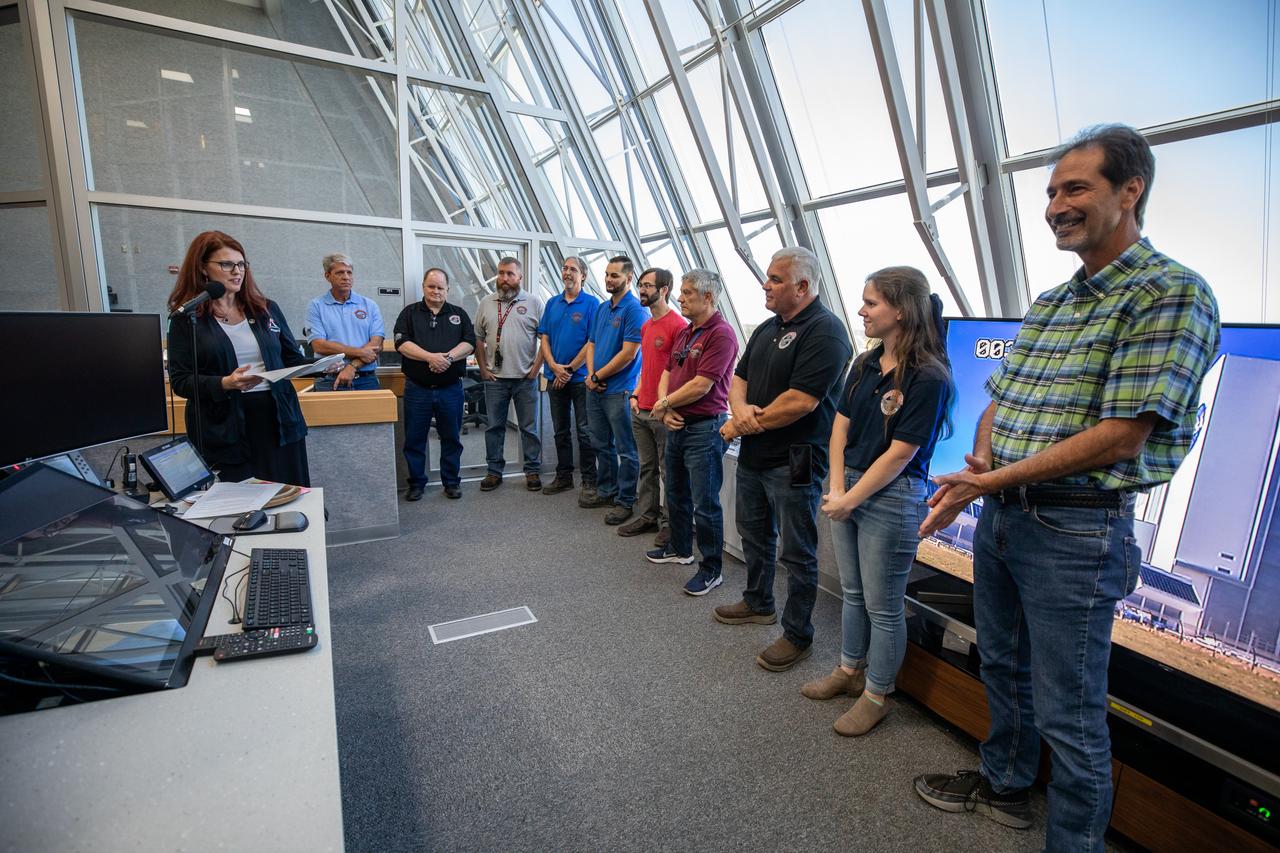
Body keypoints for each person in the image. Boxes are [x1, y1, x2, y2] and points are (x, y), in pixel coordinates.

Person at [913, 125, 1219, 851]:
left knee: (1071, 711)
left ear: (1130, 190)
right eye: (1051, 191)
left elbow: (1120, 435)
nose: (1055, 204)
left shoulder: (1170, 293)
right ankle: (1009, 785)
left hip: (1076, 532)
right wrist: (981, 464)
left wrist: (987, 479)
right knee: (1001, 663)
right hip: (1006, 518)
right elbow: (1001, 399)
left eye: (1075, 187)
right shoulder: (1053, 301)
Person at [803, 267, 952, 737]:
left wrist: (850, 498)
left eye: (871, 303)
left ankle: (876, 693)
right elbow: (840, 426)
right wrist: (837, 487)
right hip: (849, 488)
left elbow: (901, 454)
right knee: (852, 593)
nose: (862, 311)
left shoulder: (929, 377)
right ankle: (848, 671)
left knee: (884, 606)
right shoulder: (865, 363)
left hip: (891, 495)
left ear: (901, 311)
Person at [712, 247, 852, 672]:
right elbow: (740, 378)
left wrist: (741, 425)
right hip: (756, 453)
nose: (765, 285)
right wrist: (740, 411)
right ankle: (758, 602)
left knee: (798, 550)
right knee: (753, 532)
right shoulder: (768, 327)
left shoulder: (827, 332)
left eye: (775, 279)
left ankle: (798, 634)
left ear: (803, 286)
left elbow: (801, 402)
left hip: (797, 459)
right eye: (767, 277)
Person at [166, 230, 313, 486]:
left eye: (241, 264)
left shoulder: (266, 309)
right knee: (238, 505)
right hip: (224, 425)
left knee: (287, 496)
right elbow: (180, 381)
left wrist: (325, 366)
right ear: (203, 268)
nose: (237, 271)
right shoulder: (187, 318)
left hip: (277, 419)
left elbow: (292, 358)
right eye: (227, 264)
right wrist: (224, 383)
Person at [645, 269, 739, 596]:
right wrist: (665, 407)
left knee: (705, 503)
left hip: (704, 428)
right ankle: (680, 549)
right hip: (676, 424)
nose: (680, 298)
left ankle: (711, 570)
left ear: (708, 297)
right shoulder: (687, 332)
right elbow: (669, 370)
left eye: (687, 293)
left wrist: (664, 403)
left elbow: (703, 385)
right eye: (681, 292)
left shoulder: (722, 334)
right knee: (676, 493)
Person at [392, 268, 476, 501]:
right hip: (417, 389)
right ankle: (417, 484)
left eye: (440, 287)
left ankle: (451, 482)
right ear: (423, 287)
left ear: (447, 289)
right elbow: (402, 343)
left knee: (451, 438)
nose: (436, 291)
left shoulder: (458, 314)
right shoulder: (409, 313)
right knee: (415, 439)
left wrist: (447, 358)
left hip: (450, 389)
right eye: (431, 286)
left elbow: (469, 342)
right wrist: (430, 358)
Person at [581, 255, 649, 525]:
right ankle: (606, 490)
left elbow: (629, 354)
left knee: (626, 449)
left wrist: (597, 375)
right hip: (595, 388)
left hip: (619, 391)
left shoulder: (634, 310)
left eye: (615, 276)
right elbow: (592, 344)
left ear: (629, 278)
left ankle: (625, 500)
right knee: (600, 444)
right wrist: (590, 376)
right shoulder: (602, 308)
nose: (609, 280)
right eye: (607, 275)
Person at [622, 267, 686, 544]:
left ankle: (671, 524)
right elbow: (647, 367)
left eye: (648, 286)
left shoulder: (679, 326)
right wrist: (635, 395)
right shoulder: (646, 325)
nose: (642, 290)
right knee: (647, 468)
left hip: (663, 412)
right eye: (640, 285)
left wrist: (667, 405)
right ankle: (648, 516)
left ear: (664, 290)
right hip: (642, 408)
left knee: (669, 471)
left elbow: (682, 374)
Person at [475, 257, 545, 492]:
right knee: (494, 427)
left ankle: (532, 470)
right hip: (495, 379)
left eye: (510, 274)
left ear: (520, 278)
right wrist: (483, 368)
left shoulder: (534, 302)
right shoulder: (486, 302)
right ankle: (494, 472)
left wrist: (535, 369)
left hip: (525, 379)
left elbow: (545, 339)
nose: (504, 279)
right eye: (501, 273)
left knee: (528, 427)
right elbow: (478, 338)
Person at [538, 257, 600, 498]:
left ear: (583, 276)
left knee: (585, 431)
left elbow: (591, 342)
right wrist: (554, 366)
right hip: (555, 377)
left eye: (573, 269)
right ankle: (563, 476)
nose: (567, 273)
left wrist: (570, 370)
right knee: (560, 430)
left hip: (580, 379)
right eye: (564, 268)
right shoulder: (553, 303)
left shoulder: (592, 304)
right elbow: (544, 338)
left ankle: (589, 480)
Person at [306, 253, 384, 391]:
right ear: (327, 276)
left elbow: (376, 345)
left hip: (366, 379)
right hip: (330, 381)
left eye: (349, 272)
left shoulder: (369, 305)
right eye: (340, 273)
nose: (346, 277)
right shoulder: (316, 306)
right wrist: (360, 352)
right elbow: (319, 346)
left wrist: (352, 367)